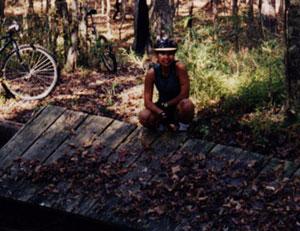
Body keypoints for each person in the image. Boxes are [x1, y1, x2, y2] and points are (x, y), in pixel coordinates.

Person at [138, 38, 195, 131]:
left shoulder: (179, 68)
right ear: (157, 55)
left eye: (170, 54)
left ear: (174, 55)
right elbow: (147, 102)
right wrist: (159, 111)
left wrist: (169, 104)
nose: (166, 57)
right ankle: (162, 128)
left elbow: (185, 93)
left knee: (187, 105)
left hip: (177, 105)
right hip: (162, 107)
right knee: (144, 116)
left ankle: (182, 128)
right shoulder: (151, 73)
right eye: (163, 54)